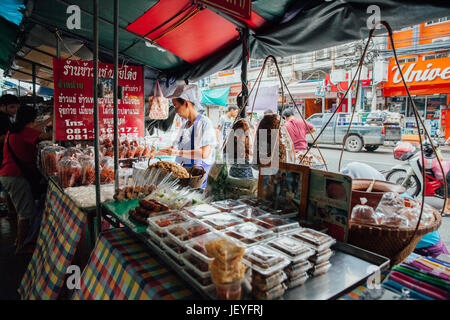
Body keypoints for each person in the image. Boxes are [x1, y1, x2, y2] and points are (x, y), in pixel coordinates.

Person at [0, 105, 52, 254]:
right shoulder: (25, 132)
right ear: (33, 119)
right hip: (15, 176)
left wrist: (50, 119)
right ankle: (22, 247)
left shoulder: (14, 130)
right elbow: (47, 136)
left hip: (8, 174)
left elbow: (37, 129)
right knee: (25, 213)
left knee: (22, 210)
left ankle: (19, 241)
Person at [150, 84, 216, 189]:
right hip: (183, 177)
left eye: (176, 106)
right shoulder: (185, 125)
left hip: (196, 179)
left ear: (186, 103)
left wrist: (177, 152)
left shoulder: (205, 123)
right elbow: (174, 148)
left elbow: (204, 153)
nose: (175, 111)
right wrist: (154, 153)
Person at [0, 94, 20, 219]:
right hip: (2, 157)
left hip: (4, 156)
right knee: (5, 187)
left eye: (16, 107)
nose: (15, 110)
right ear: (2, 106)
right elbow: (2, 137)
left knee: (5, 187)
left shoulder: (6, 117)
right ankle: (12, 211)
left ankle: (11, 211)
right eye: (12, 107)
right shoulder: (2, 118)